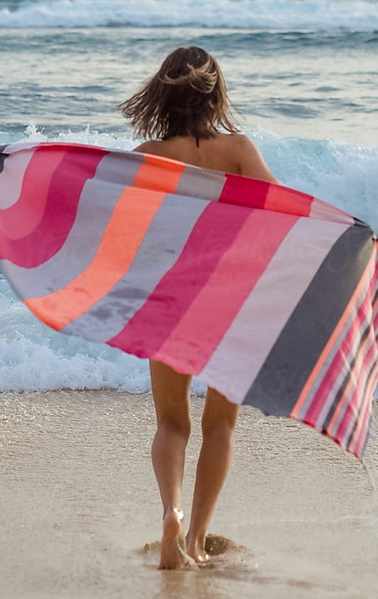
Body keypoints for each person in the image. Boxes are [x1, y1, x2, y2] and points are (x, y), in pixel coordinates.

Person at [118, 44, 278, 570]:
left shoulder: (148, 156)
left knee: (171, 423)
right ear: (216, 96)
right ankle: (196, 541)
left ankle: (172, 513)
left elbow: (109, 220)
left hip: (168, 295)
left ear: (161, 95)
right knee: (220, 424)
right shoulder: (237, 150)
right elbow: (285, 214)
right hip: (230, 297)